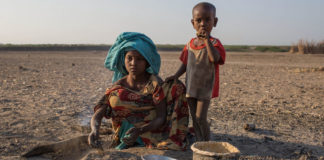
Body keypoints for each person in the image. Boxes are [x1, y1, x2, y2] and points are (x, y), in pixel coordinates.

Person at [88, 32, 189, 150]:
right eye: (129, 58)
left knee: (177, 86)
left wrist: (140, 130)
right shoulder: (118, 88)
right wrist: (94, 131)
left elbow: (160, 117)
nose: (133, 63)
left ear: (147, 62)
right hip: (125, 133)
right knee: (117, 97)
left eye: (139, 59)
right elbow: (99, 113)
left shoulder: (154, 84)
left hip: (149, 131)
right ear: (123, 59)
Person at [165, 2, 226, 141]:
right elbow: (185, 63)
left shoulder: (215, 43)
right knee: (194, 116)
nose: (203, 24)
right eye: (199, 20)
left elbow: (214, 58)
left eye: (207, 20)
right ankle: (199, 141)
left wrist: (207, 41)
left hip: (205, 88)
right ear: (193, 23)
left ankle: (207, 141)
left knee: (200, 117)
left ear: (214, 22)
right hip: (191, 87)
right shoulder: (190, 44)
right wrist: (175, 75)